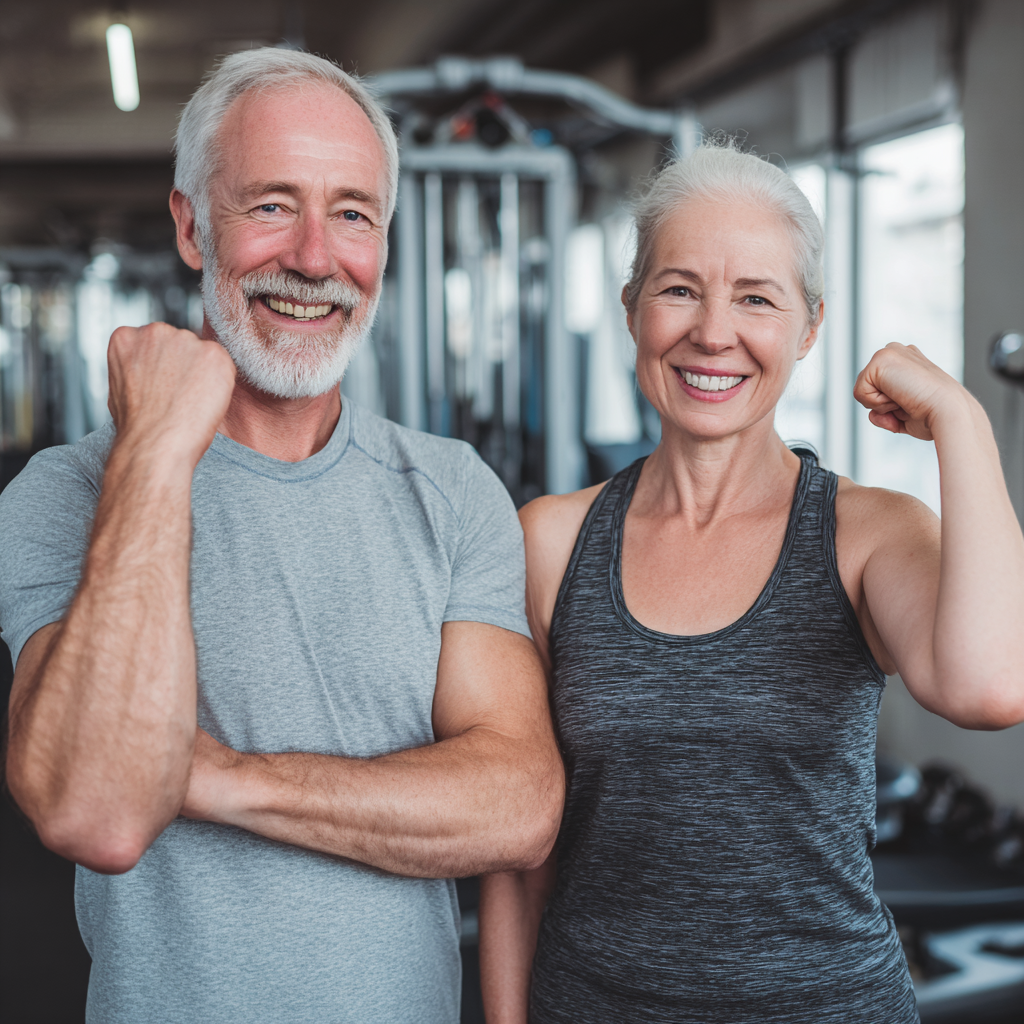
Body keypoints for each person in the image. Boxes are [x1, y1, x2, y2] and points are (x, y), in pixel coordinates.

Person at [0, 48, 563, 1024]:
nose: (313, 257)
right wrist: (155, 451)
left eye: (353, 214)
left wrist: (211, 777)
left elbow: (517, 804)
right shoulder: (69, 490)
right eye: (271, 204)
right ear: (191, 226)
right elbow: (95, 809)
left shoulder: (453, 491)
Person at [478, 141, 1024, 1023]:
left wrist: (961, 420)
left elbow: (993, 687)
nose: (712, 332)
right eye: (679, 289)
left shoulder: (867, 534)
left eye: (756, 298)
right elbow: (518, 853)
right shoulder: (550, 541)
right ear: (631, 308)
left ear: (808, 327)